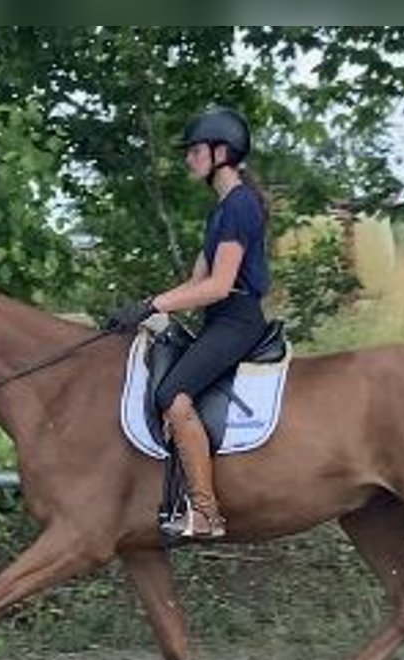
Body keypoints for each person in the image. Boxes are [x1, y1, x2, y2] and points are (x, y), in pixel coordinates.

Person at [107, 106, 271, 540]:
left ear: (222, 152)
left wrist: (154, 303)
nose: (188, 158)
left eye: (195, 150)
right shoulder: (221, 211)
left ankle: (205, 512)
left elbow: (219, 285)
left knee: (173, 396)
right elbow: (196, 282)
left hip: (236, 319)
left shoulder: (239, 206)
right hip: (220, 317)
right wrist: (149, 311)